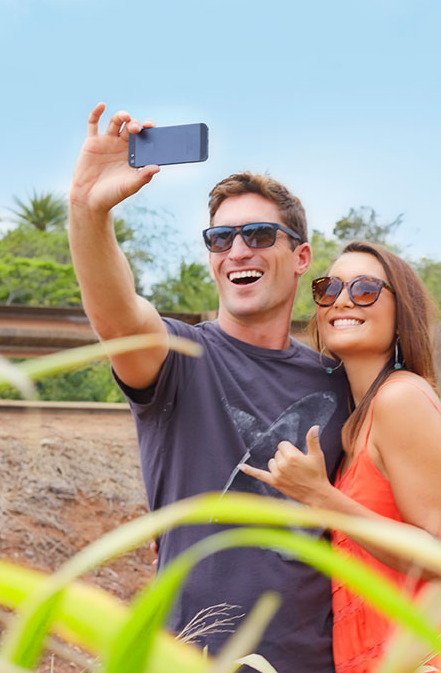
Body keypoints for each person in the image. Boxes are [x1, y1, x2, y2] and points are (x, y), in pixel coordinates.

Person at [68, 103, 350, 671]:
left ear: (300, 258)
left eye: (258, 233)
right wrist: (87, 210)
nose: (237, 250)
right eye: (220, 238)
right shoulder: (178, 357)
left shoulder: (341, 380)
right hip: (188, 656)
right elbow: (118, 317)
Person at [241, 241, 441, 673]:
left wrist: (321, 496)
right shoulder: (357, 417)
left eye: (365, 289)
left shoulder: (400, 398)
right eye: (328, 288)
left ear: (402, 313)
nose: (342, 299)